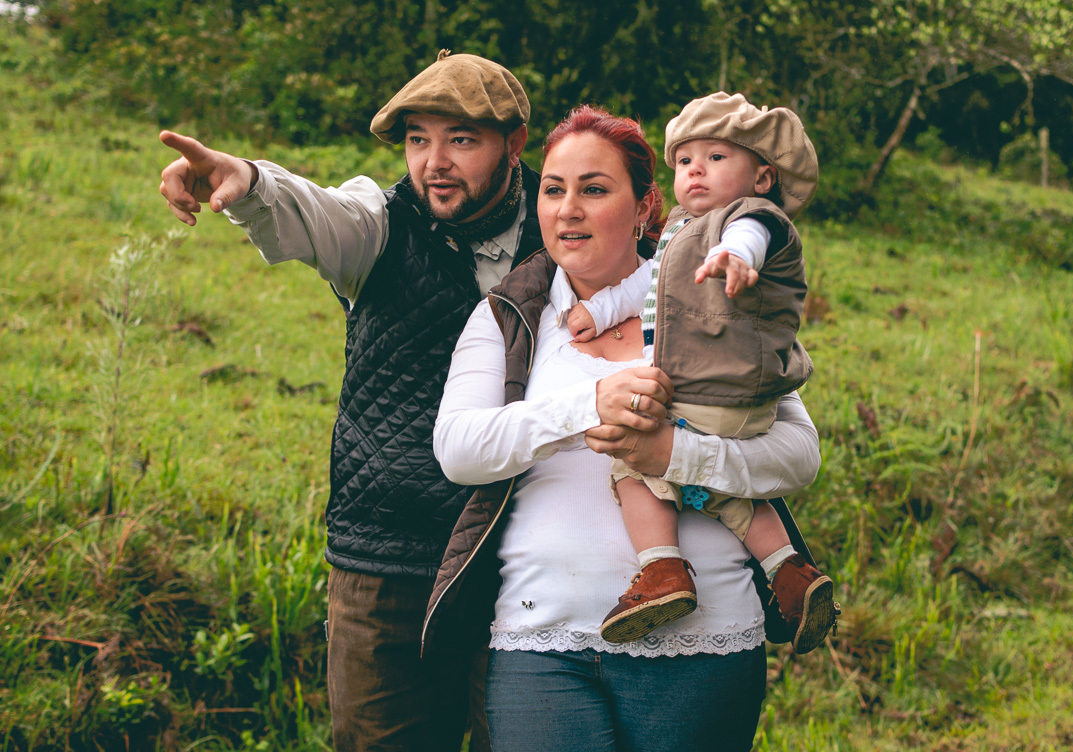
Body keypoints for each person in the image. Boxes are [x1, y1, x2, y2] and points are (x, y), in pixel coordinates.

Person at [158, 50, 541, 752]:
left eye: (461, 139)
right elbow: (311, 212)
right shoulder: (379, 224)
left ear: (513, 143)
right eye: (418, 139)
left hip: (524, 559)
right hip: (387, 562)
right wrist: (244, 181)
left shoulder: (563, 225)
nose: (435, 162)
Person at [428, 105, 822, 751]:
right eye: (554, 190)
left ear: (644, 207)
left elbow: (797, 455)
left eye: (594, 189)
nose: (568, 209)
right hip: (540, 638)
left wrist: (674, 451)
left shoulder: (711, 290)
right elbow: (461, 450)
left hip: (704, 643)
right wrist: (590, 405)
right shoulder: (509, 316)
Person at [563, 91, 838, 653]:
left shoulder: (746, 219)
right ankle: (789, 572)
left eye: (716, 158)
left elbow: (751, 237)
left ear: (762, 177)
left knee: (630, 461)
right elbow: (649, 287)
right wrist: (599, 310)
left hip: (715, 390)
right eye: (686, 160)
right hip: (728, 400)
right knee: (715, 487)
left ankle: (662, 569)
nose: (696, 171)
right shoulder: (685, 228)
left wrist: (737, 257)